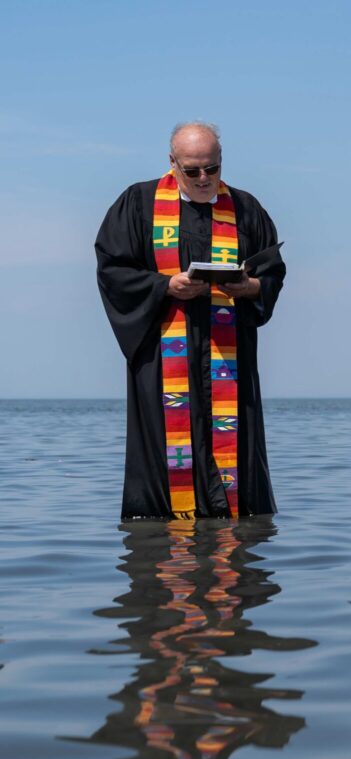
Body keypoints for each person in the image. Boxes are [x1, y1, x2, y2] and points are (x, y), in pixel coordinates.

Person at [96, 121, 286, 519]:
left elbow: (272, 273)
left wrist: (249, 287)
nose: (203, 178)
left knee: (237, 467)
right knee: (165, 460)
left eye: (212, 168)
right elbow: (113, 270)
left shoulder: (245, 208)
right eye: (192, 170)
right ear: (172, 162)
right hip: (164, 357)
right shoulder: (139, 203)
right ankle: (163, 536)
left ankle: (235, 529)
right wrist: (165, 285)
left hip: (228, 358)